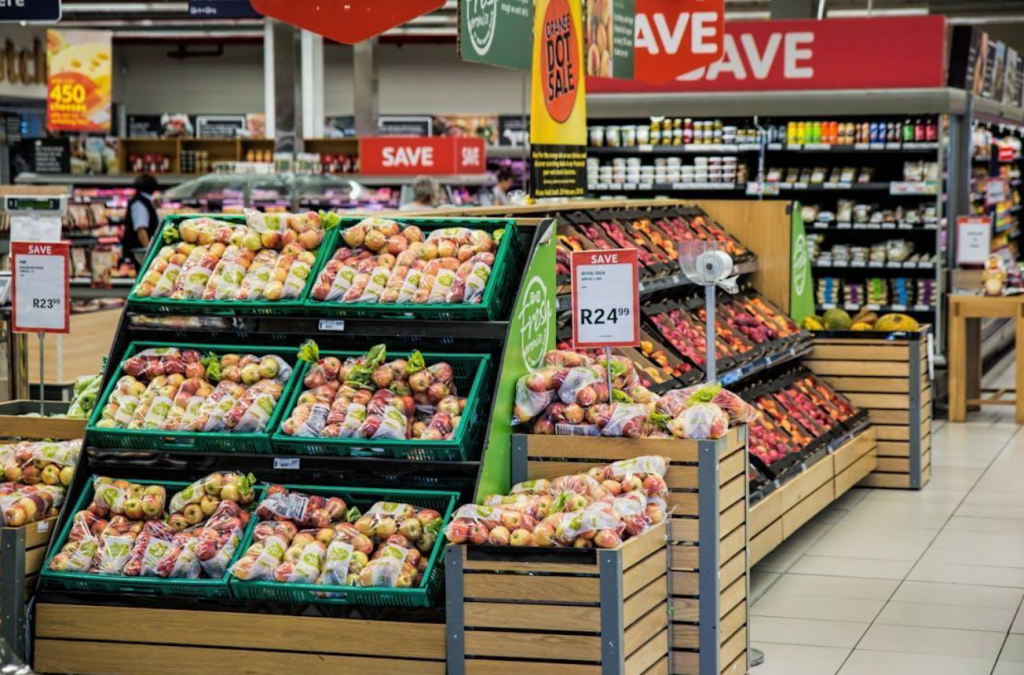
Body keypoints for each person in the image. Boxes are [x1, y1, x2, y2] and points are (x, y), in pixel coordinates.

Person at [123, 173, 159, 257]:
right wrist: (149, 252)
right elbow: (141, 229)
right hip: (138, 254)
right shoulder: (139, 203)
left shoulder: (144, 201)